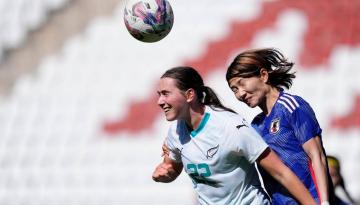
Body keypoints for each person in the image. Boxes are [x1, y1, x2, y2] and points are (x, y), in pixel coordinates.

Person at [152, 66, 316, 205]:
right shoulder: (175, 132)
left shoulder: (230, 127)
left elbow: (281, 172)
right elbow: (172, 167)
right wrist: (166, 173)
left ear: (189, 95)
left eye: (165, 93)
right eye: (159, 94)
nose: (159, 101)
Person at [226, 48, 335, 205]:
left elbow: (316, 156)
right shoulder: (255, 125)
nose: (240, 94)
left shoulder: (291, 106)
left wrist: (324, 202)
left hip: (312, 200)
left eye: (241, 84)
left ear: (263, 75)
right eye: (234, 89)